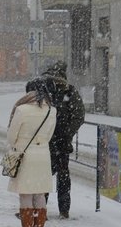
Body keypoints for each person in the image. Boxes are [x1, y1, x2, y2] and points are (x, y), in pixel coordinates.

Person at [30, 62, 85, 218]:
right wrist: (67, 133)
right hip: (61, 141)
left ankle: (39, 208)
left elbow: (31, 112)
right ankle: (64, 209)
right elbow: (79, 116)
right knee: (63, 175)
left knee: (42, 174)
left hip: (43, 140)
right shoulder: (69, 90)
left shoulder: (41, 89)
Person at [7, 79, 57, 227]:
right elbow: (49, 136)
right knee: (40, 194)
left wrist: (17, 145)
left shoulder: (21, 110)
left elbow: (11, 136)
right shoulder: (51, 111)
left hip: (25, 154)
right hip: (43, 155)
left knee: (26, 194)